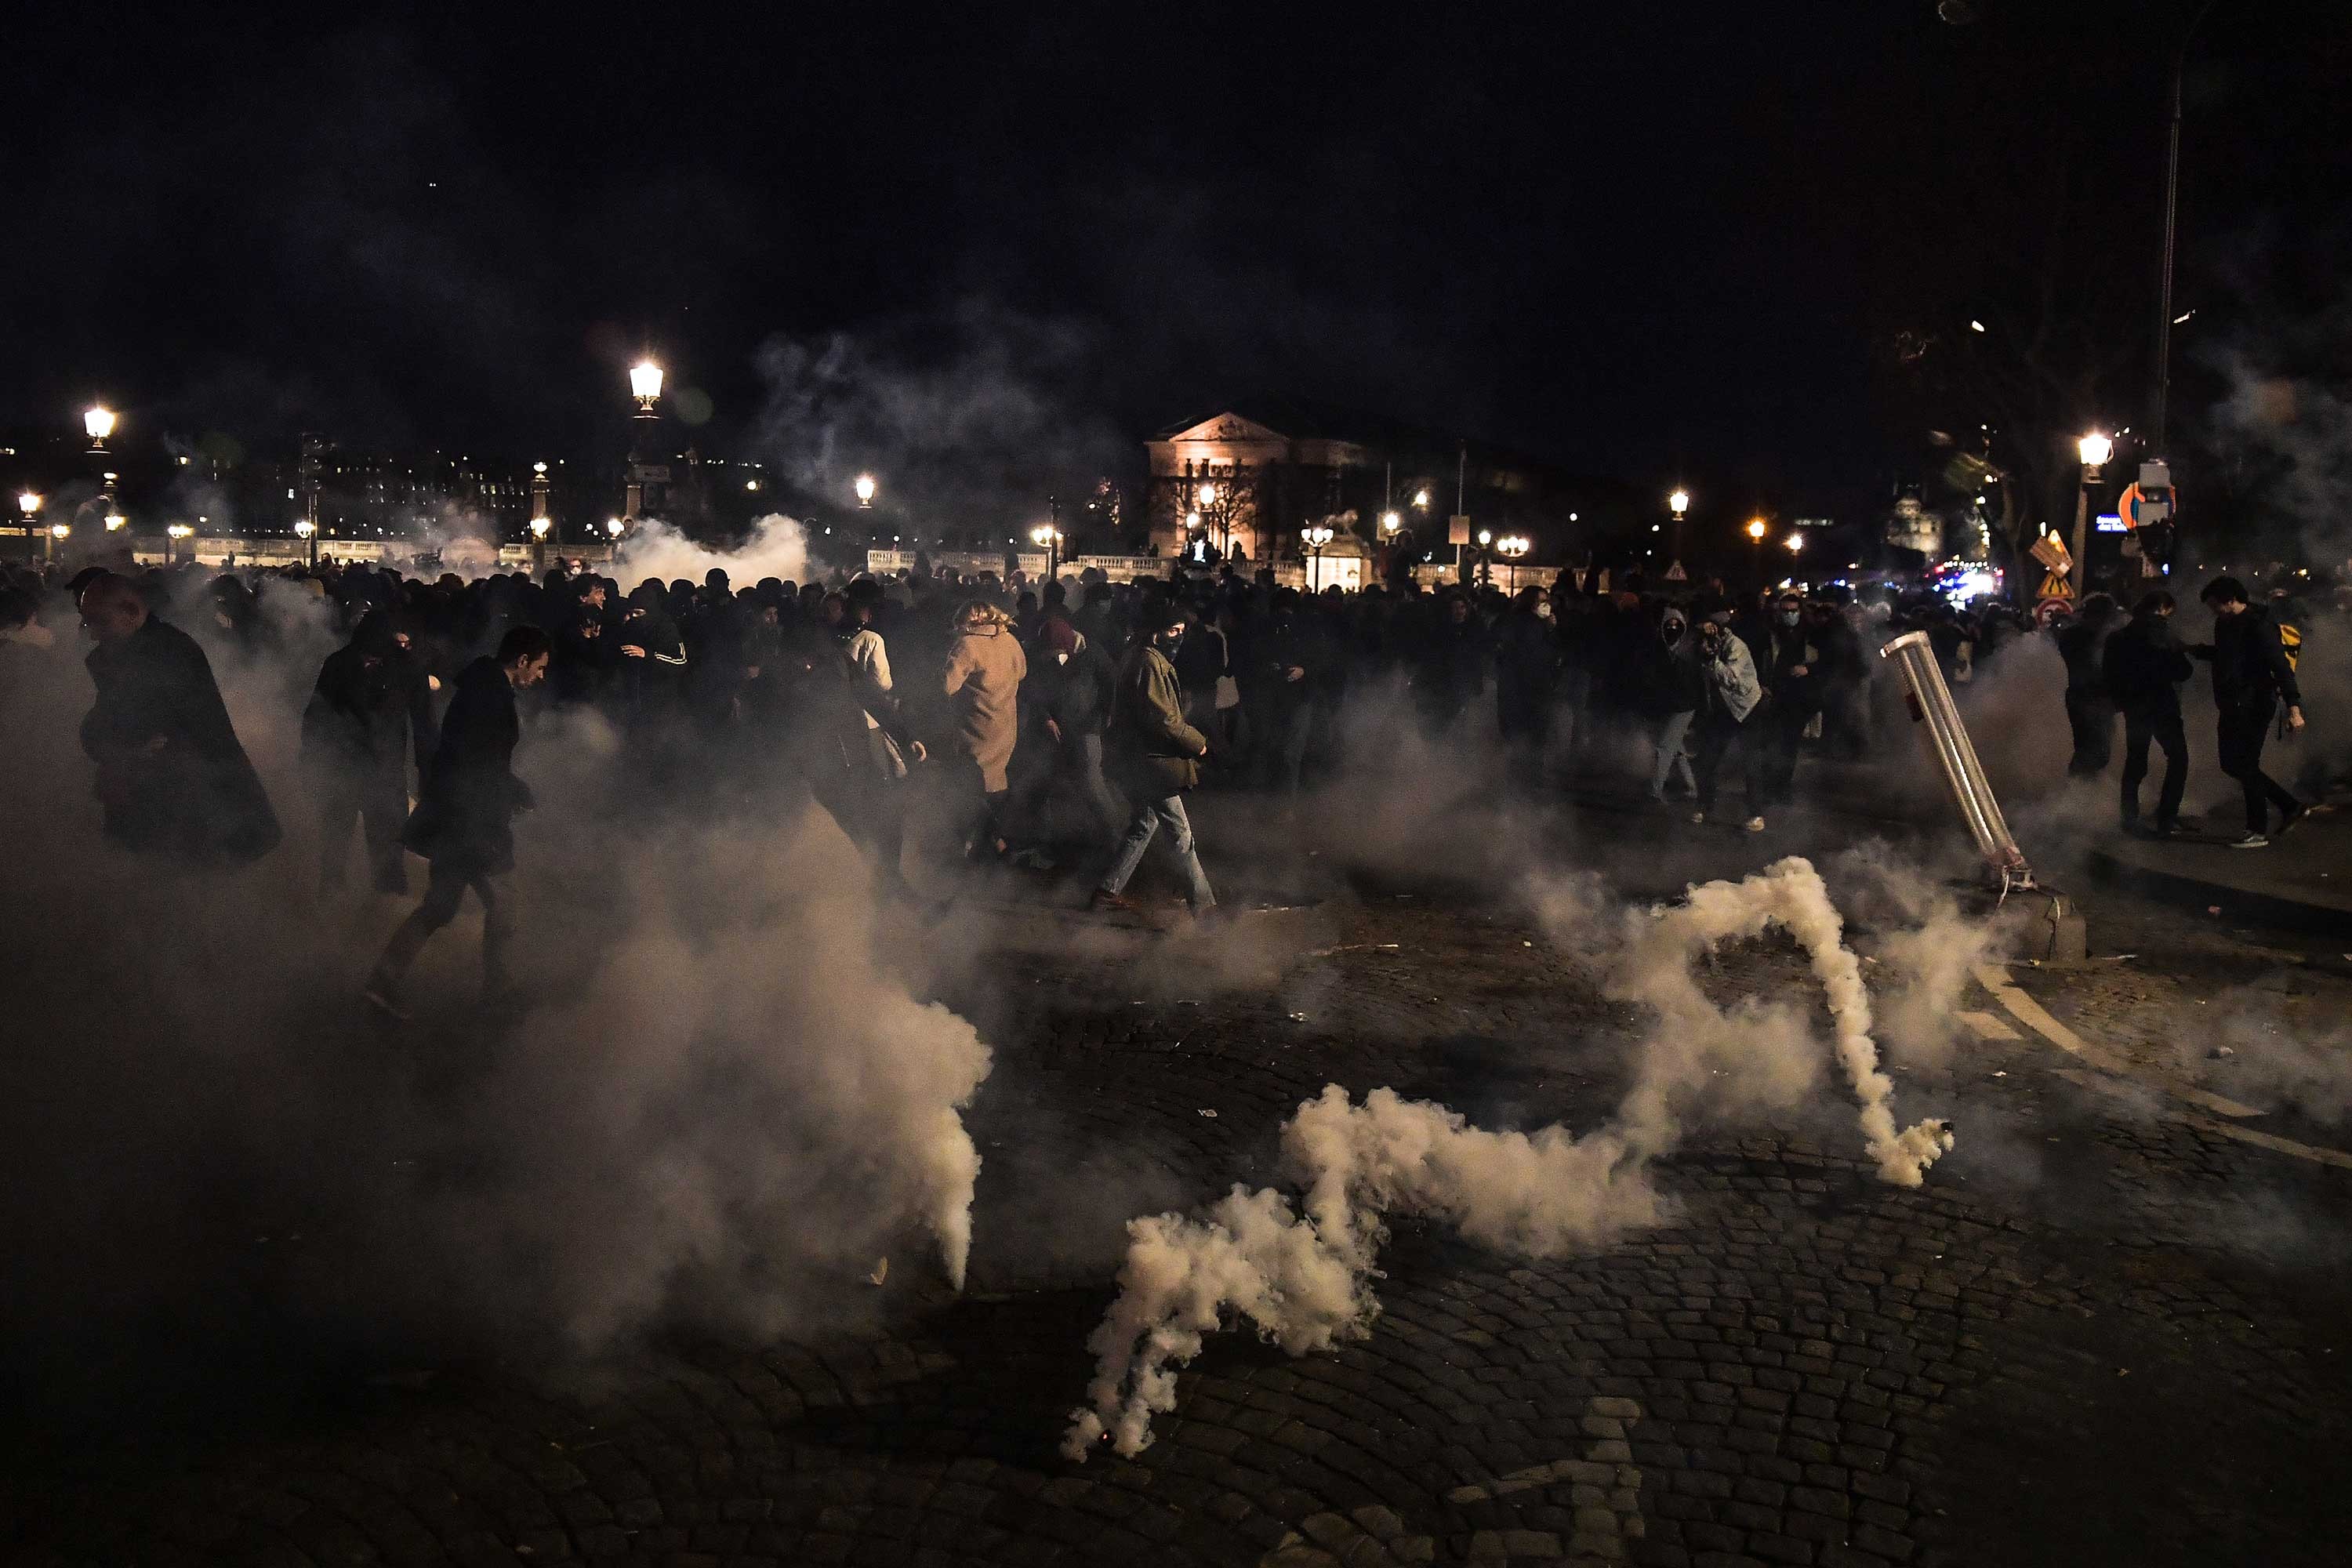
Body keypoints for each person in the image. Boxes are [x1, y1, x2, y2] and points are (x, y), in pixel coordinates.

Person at [365, 626, 550, 1017]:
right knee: (505, 902)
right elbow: (479, 761)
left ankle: (382, 983)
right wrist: (513, 790)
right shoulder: (491, 696)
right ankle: (497, 989)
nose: (540, 675)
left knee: (440, 907)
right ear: (522, 661)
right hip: (475, 821)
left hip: (456, 816)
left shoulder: (481, 686)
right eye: (540, 667)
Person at [76, 573, 281, 864]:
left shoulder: (167, 654)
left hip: (191, 804)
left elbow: (136, 729)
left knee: (179, 886)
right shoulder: (139, 652)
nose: (93, 633)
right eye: (87, 622)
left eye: (99, 621)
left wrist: (115, 747)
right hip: (169, 802)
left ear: (131, 612)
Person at [300, 611, 437, 894]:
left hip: (366, 772)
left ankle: (360, 915)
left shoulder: (347, 662)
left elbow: (425, 726)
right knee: (348, 850)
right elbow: (317, 716)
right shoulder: (349, 663)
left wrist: (310, 765)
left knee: (371, 851)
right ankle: (358, 913)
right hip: (364, 771)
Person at [1094, 611, 1215, 916]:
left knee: (1144, 825)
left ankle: (1106, 892)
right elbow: (1164, 718)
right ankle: (1205, 909)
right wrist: (1197, 743)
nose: (1179, 637)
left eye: (1182, 630)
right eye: (1173, 630)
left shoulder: (1140, 656)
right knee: (1180, 835)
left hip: (1139, 758)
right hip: (1151, 761)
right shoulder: (1149, 662)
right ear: (1155, 631)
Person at [2190, 576, 2306, 848]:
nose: (2213, 611)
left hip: (2255, 703)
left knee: (2244, 764)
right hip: (2232, 703)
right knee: (2232, 763)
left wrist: (2294, 707)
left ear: (2231, 600)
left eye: (2215, 605)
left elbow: (2280, 667)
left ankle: (2257, 829)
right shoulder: (2225, 623)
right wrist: (2196, 651)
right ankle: (2289, 806)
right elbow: (2227, 657)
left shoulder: (2258, 625)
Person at [940, 599, 1029, 859]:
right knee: (995, 782)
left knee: (968, 786)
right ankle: (992, 845)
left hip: (974, 726)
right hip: (1003, 724)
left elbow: (947, 685)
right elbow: (1022, 672)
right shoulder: (1011, 641)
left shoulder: (967, 645)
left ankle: (983, 846)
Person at [2102, 590, 2193, 837]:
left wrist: (2120, 701)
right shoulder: (2164, 636)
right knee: (2178, 759)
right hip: (2162, 705)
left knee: (2136, 762)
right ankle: (2167, 817)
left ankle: (2129, 819)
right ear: (2163, 609)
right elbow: (2184, 671)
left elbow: (2109, 675)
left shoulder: (2119, 637)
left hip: (2135, 707)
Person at [1686, 612, 1768, 832]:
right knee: (1707, 759)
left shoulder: (1736, 646)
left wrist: (1712, 660)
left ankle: (1756, 813)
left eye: (1711, 627)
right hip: (1722, 711)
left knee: (1750, 763)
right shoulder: (1703, 643)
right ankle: (1704, 805)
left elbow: (1731, 678)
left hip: (1746, 708)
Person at [2055, 594, 2119, 778]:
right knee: (2093, 751)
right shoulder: (2081, 636)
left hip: (2091, 698)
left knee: (2095, 750)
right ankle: (2078, 788)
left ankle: (2082, 788)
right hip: (2088, 697)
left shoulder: (2076, 635)